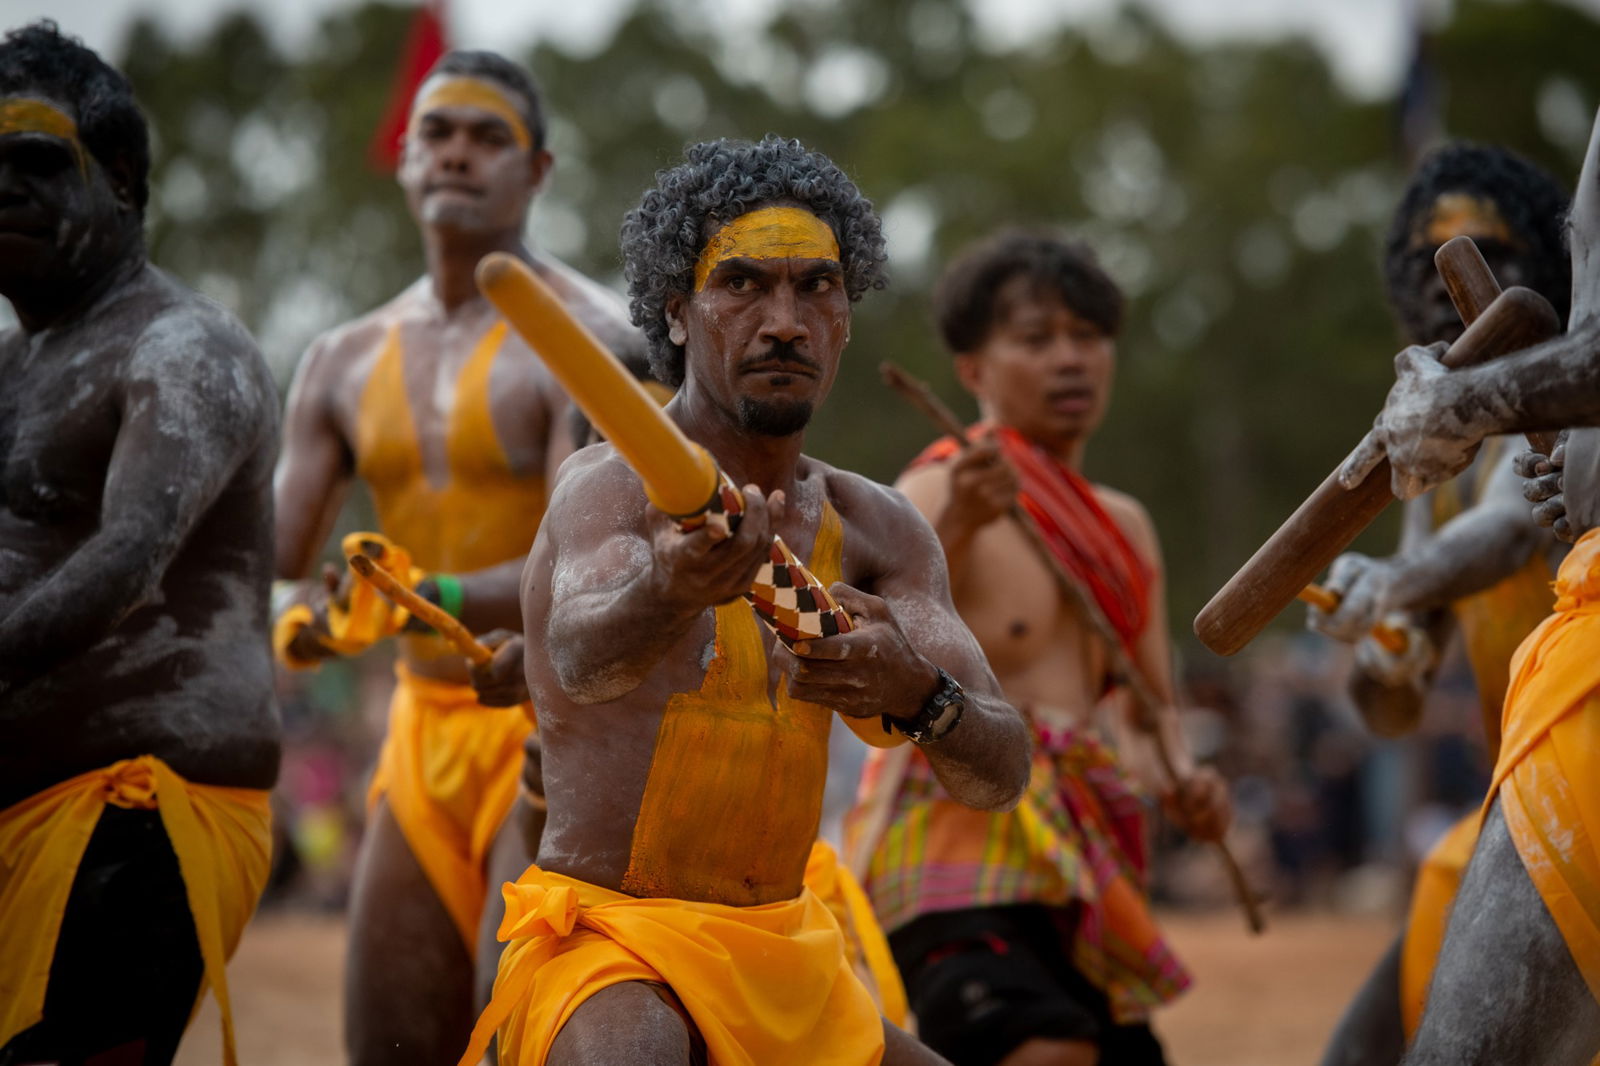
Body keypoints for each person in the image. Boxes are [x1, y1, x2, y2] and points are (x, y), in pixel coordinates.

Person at [457, 134, 1031, 1066]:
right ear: (677, 314)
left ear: (846, 317)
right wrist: (669, 588)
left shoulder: (880, 529)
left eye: (817, 288)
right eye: (744, 285)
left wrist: (918, 693)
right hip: (614, 949)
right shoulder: (605, 488)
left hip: (787, 958)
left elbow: (1001, 769)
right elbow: (581, 660)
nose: (785, 322)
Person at [270, 49, 642, 1064]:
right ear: (403, 155)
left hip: (557, 727)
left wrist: (417, 592)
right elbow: (279, 556)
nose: (458, 156)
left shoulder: (594, 342)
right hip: (420, 729)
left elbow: (582, 578)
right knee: (388, 1043)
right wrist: (305, 612)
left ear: (540, 170)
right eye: (437, 133)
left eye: (489, 138)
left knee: (516, 1035)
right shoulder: (339, 357)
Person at [847, 230, 1231, 1066]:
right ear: (973, 371)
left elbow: (1147, 706)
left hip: (1079, 846)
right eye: (1035, 339)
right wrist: (955, 526)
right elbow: (874, 648)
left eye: (1087, 338)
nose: (1070, 361)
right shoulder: (935, 489)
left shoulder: (1123, 526)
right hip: (953, 829)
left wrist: (1182, 779)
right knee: (1043, 1051)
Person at [0, 21, 280, 1066]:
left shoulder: (184, 347)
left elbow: (128, 560)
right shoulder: (11, 367)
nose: (4, 188)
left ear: (118, 177)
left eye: (35, 160)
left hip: (141, 823)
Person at [1344, 110, 1600, 1064]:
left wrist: (1396, 580)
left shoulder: (1561, 433)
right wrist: (1390, 649)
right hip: (1514, 814)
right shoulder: (1435, 462)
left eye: (1489, 252)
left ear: (1548, 255)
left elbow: (1499, 536)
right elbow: (1392, 707)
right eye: (1424, 266)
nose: (1443, 284)